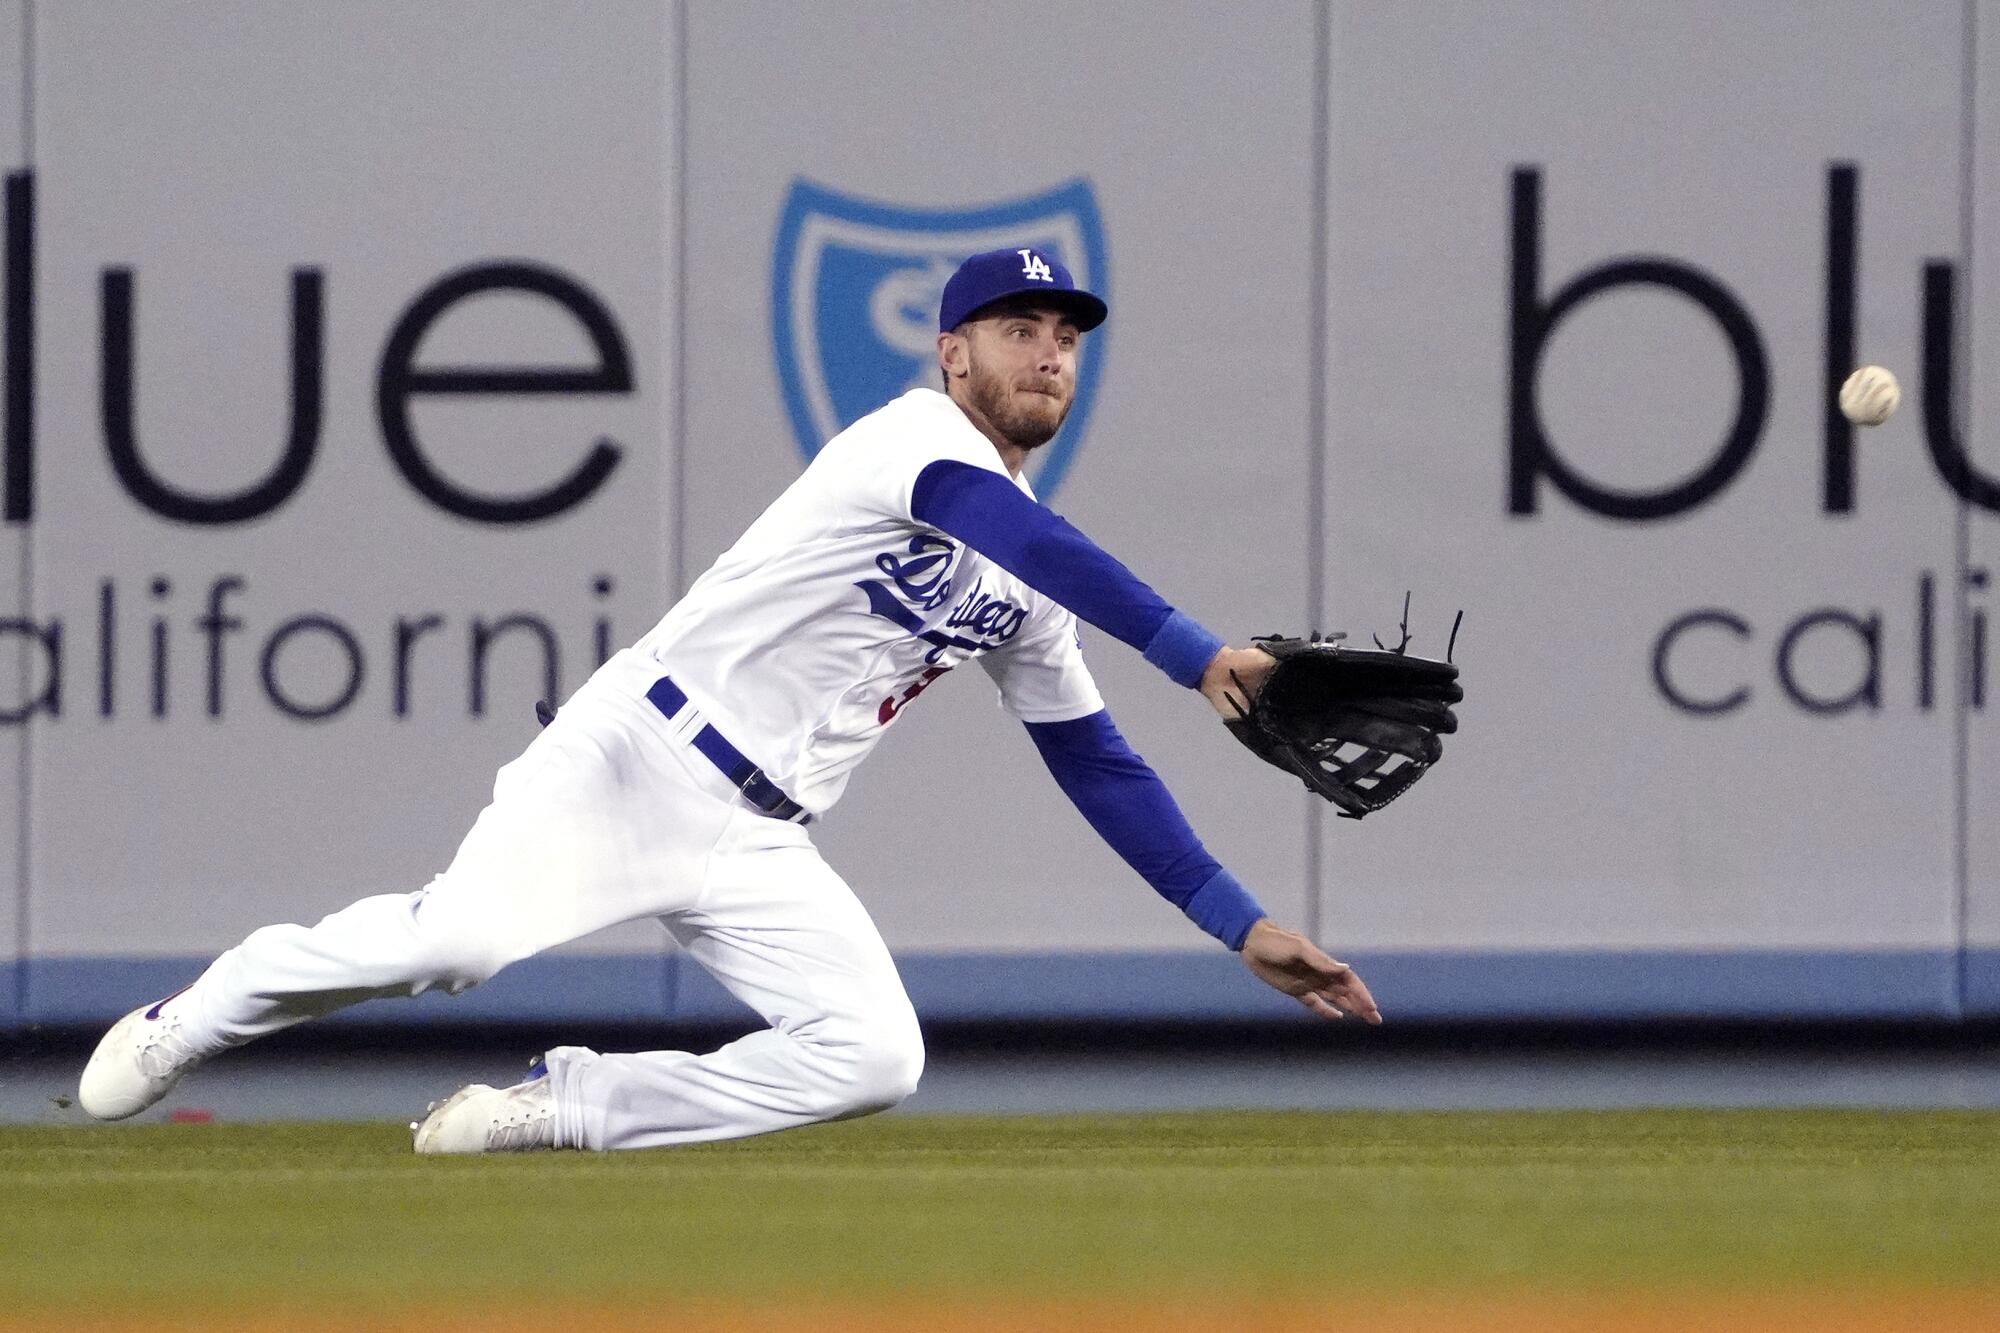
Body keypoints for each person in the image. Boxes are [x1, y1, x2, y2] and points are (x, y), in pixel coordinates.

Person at [78, 247, 1381, 1154]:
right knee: (453, 946)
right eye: (1019, 330)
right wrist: (1197, 649)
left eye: (1065, 337)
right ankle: (206, 1007)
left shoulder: (1029, 566)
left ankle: (572, 1105)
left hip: (757, 836)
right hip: (635, 754)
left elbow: (1097, 762)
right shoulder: (910, 442)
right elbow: (1004, 525)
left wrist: (1240, 924)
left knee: (875, 1054)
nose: (1048, 352)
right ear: (953, 352)